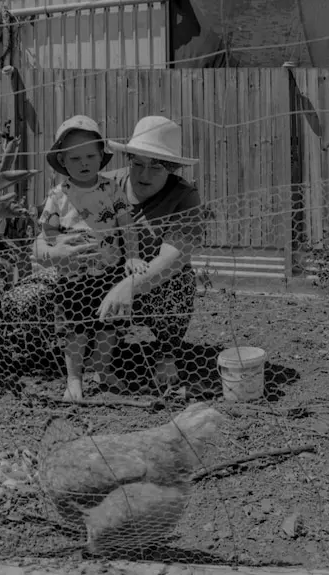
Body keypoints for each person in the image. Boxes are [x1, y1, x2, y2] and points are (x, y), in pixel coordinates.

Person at [34, 115, 204, 395]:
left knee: (180, 282)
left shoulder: (183, 196)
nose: (144, 174)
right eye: (137, 163)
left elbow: (174, 257)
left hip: (140, 284)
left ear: (172, 168)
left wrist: (126, 287)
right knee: (31, 301)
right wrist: (52, 253)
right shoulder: (98, 182)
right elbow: (40, 241)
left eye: (156, 166)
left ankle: (165, 356)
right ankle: (62, 364)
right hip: (79, 276)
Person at [36, 115, 143, 401]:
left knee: (109, 326)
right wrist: (58, 248)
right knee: (76, 329)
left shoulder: (111, 189)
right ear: (63, 161)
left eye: (89, 156)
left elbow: (127, 225)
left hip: (109, 271)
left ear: (100, 157)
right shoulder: (59, 194)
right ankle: (74, 379)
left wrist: (132, 256)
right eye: (75, 158)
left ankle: (103, 369)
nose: (83, 163)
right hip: (73, 275)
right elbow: (47, 231)